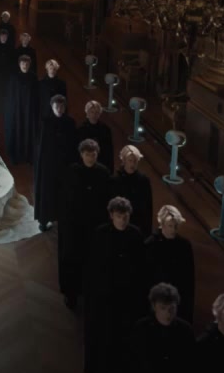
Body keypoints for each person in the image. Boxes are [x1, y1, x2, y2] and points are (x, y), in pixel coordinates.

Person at [83, 197, 147, 373]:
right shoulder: (101, 234)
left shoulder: (135, 234)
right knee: (104, 333)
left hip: (127, 294)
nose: (123, 220)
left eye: (126, 216)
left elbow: (140, 266)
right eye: (119, 216)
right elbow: (94, 265)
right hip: (105, 294)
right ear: (111, 216)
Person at [58, 138, 113, 309]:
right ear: (81, 154)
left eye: (93, 154)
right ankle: (72, 294)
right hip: (75, 225)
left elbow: (107, 199)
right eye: (87, 154)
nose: (90, 157)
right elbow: (66, 199)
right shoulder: (72, 172)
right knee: (73, 259)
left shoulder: (103, 173)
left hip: (95, 225)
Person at [145, 204, 197, 325]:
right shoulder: (150, 245)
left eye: (176, 226)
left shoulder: (184, 246)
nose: (173, 229)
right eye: (170, 226)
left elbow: (189, 278)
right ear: (162, 224)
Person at [34, 94, 77, 230]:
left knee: (63, 192)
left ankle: (62, 218)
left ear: (65, 107)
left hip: (65, 164)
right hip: (49, 165)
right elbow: (41, 146)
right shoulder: (45, 122)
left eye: (62, 106)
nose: (59, 109)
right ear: (52, 107)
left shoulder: (70, 122)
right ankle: (44, 220)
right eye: (56, 106)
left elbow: (73, 145)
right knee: (47, 192)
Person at [3, 54, 38, 165]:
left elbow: (36, 95)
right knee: (17, 131)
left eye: (27, 64)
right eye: (23, 63)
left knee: (28, 131)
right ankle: (16, 157)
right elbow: (10, 95)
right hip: (17, 111)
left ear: (30, 65)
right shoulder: (14, 77)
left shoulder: (33, 77)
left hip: (29, 110)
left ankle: (28, 157)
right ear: (19, 64)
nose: (25, 65)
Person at [113, 146, 154, 236]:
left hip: (137, 222)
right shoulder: (115, 180)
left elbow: (148, 207)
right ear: (124, 161)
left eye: (135, 161)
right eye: (130, 160)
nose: (132, 164)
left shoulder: (143, 181)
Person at [78, 100, 116, 173]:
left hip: (101, 164)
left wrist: (110, 169)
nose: (94, 115)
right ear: (87, 113)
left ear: (99, 114)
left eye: (96, 112)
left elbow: (109, 151)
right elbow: (79, 150)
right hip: (85, 165)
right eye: (92, 112)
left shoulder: (106, 129)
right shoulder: (81, 129)